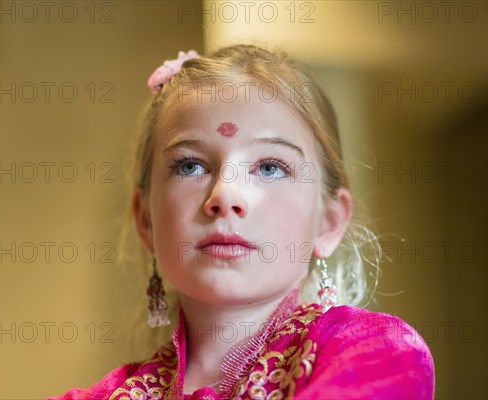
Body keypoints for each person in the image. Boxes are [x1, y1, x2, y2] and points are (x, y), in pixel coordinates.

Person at [49, 44, 435, 400]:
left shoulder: (374, 353)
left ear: (328, 222)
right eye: (191, 165)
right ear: (146, 220)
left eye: (270, 167)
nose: (224, 196)